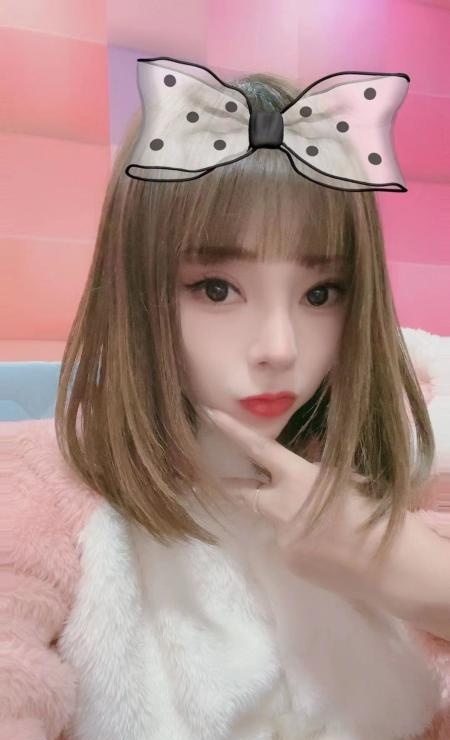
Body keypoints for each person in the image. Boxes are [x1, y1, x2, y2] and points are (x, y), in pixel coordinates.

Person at [1, 57, 449, 740]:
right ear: (139, 289)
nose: (279, 348)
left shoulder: (407, 470)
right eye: (217, 289)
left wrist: (398, 565)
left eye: (321, 293)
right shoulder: (42, 492)